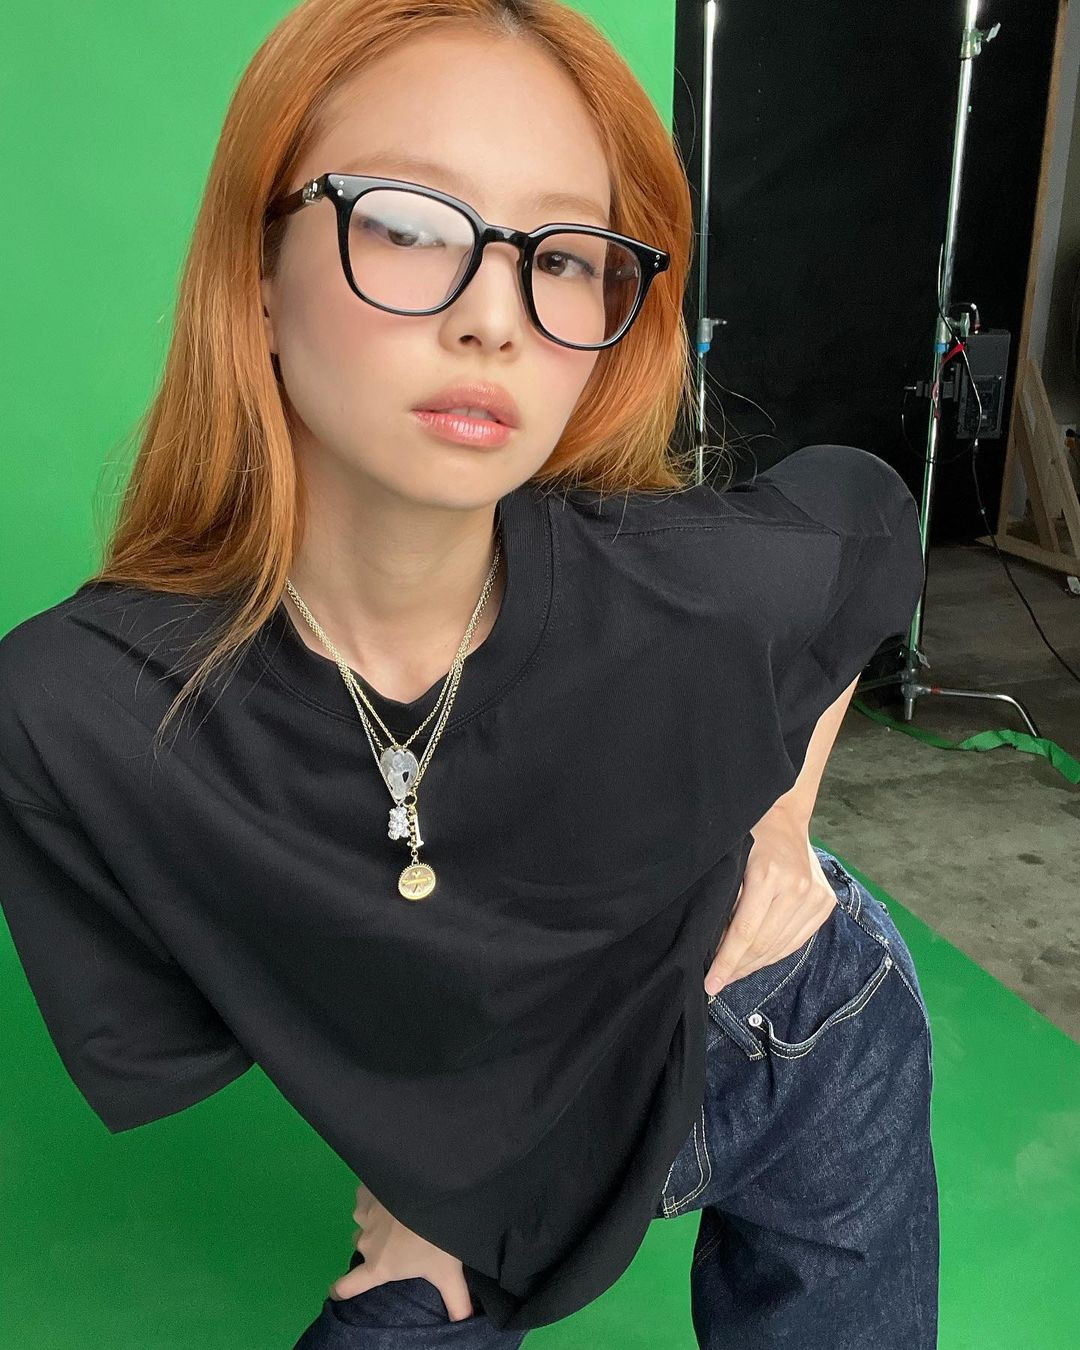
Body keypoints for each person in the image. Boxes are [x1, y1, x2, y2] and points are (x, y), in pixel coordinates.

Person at [0, 0, 939, 1346]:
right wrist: (434, 1163)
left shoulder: (674, 583)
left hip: (789, 1023)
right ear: (257, 270)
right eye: (405, 222)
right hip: (527, 1138)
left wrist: (781, 836)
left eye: (562, 256)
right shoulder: (82, 716)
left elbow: (867, 526)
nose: (495, 318)